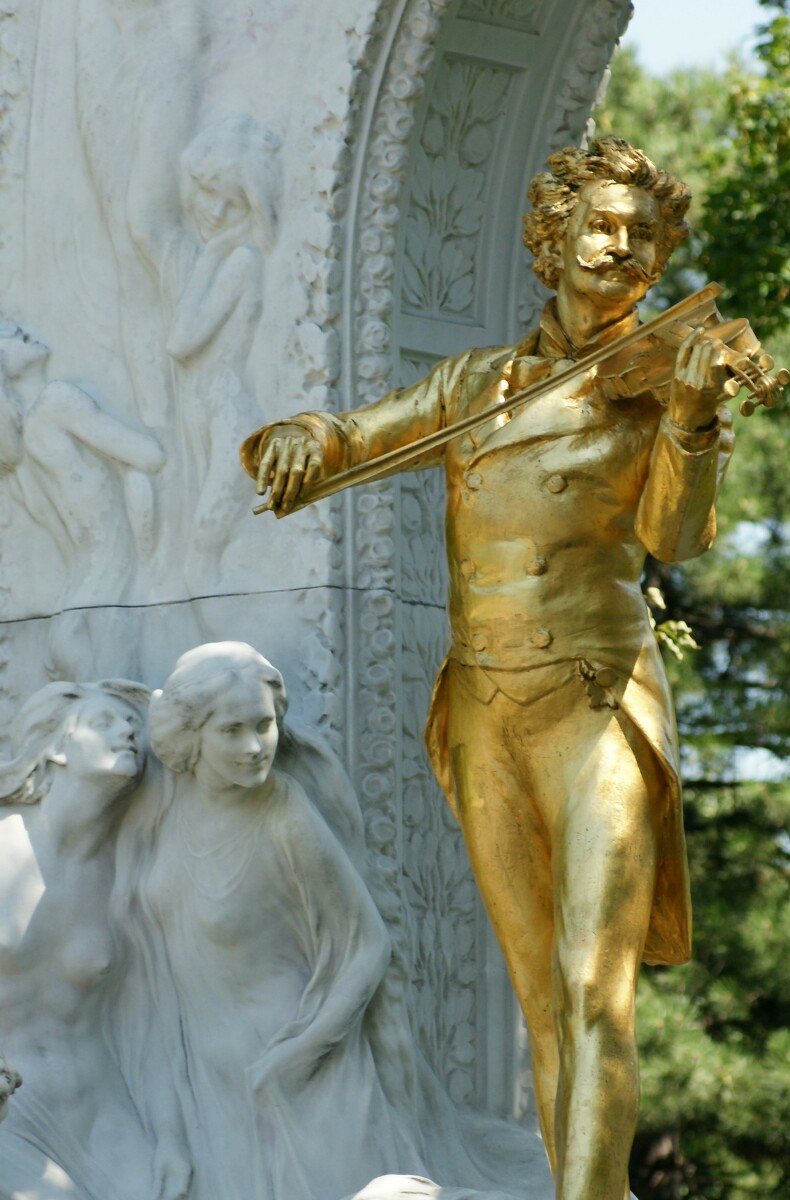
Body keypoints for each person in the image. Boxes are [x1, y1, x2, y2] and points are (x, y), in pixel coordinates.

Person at [241, 137, 737, 1200]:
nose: (621, 246)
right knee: (541, 1003)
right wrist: (296, 438)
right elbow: (354, 438)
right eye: (600, 225)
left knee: (592, 988)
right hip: (482, 708)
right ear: (552, 239)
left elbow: (675, 537)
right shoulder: (474, 386)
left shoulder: (657, 384)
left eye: (642, 235)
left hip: (595, 701)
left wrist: (692, 422)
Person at [136, 642, 423, 1200]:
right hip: (210, 1087)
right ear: (190, 737)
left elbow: (369, 945)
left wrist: (300, 1055)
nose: (253, 748)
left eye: (264, 726)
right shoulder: (165, 816)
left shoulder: (284, 813)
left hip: (303, 1089)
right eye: (232, 730)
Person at [0, 679, 182, 1200]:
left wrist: (171, 1137)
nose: (126, 730)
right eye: (104, 721)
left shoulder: (125, 875)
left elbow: (153, 1023)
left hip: (103, 1115)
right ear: (56, 747)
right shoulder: (4, 843)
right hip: (11, 1112)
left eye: (130, 723)